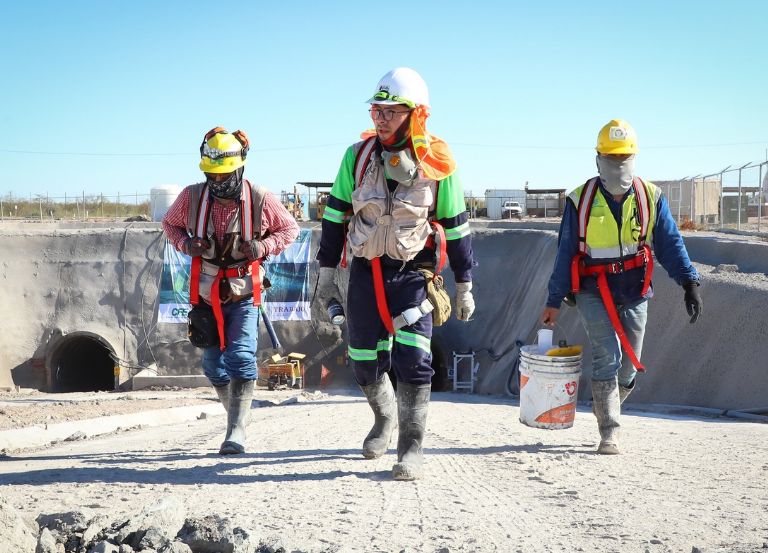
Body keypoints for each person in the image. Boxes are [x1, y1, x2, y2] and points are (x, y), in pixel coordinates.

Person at [316, 67, 475, 480]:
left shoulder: (438, 162)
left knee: (415, 360)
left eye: (390, 110)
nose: (380, 117)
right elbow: (335, 217)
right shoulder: (357, 156)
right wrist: (327, 273)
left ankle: (411, 447)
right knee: (365, 361)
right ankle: (384, 420)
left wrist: (465, 283)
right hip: (366, 274)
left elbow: (456, 227)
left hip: (413, 276)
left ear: (416, 113)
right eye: (376, 109)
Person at [540, 119, 703, 455]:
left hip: (634, 289)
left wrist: (689, 281)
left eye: (623, 158)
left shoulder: (650, 197)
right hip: (591, 289)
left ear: (634, 158)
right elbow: (565, 251)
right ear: (598, 158)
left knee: (630, 365)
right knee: (606, 355)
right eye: (611, 158)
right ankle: (609, 431)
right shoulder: (579, 200)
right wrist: (554, 301)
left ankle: (607, 404)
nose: (618, 165)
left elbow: (670, 243)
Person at [163, 127, 299, 455]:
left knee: (240, 357)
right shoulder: (191, 197)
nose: (217, 182)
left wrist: (264, 245)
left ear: (240, 168)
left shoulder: (260, 199)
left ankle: (236, 430)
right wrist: (186, 242)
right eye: (211, 175)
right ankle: (237, 416)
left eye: (223, 175)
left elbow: (291, 228)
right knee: (213, 366)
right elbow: (170, 224)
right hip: (206, 294)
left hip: (243, 293)